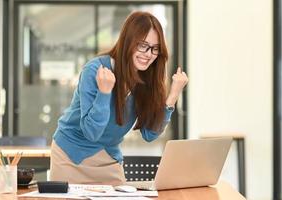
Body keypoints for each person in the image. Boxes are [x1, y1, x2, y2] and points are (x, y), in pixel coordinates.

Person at [50, 11, 188, 184]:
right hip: (71, 157)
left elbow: (149, 134)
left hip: (109, 159)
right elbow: (91, 132)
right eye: (142, 45)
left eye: (154, 48)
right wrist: (104, 93)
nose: (148, 54)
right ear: (128, 41)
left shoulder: (146, 80)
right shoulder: (95, 70)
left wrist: (173, 95)